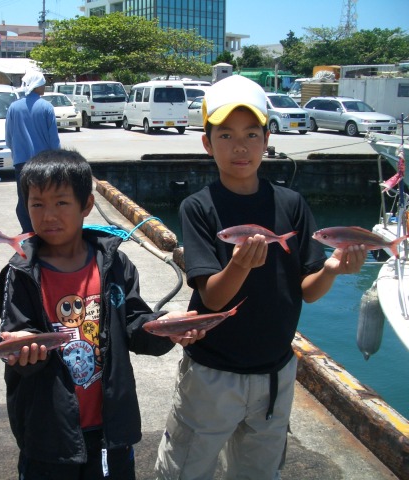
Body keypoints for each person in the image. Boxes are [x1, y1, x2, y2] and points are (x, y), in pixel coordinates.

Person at [154, 74, 367, 479]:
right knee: (184, 470)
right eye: (227, 135)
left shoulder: (291, 204)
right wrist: (238, 265)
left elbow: (309, 290)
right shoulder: (199, 209)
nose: (241, 146)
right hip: (213, 374)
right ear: (207, 143)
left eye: (252, 134)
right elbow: (213, 301)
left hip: (276, 373)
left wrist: (333, 269)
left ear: (267, 139)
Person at [0, 149, 203, 480]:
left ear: (86, 205)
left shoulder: (114, 264)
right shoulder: (19, 273)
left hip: (110, 429)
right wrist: (22, 351)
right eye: (37, 204)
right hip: (48, 433)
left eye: (61, 203)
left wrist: (164, 329)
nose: (49, 215)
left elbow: (134, 324)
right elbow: (14, 333)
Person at [5, 70, 61, 233]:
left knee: (24, 200)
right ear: (38, 86)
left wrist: (17, 152)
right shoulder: (46, 107)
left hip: (21, 164)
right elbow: (54, 141)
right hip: (44, 164)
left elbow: (9, 138)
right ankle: (43, 230)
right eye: (43, 83)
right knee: (45, 199)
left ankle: (28, 232)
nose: (45, 86)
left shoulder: (14, 108)